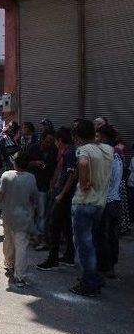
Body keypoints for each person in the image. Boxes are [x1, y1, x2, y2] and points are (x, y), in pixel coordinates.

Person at [69, 119, 113, 297]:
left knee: (84, 245)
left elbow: (84, 163)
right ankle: (95, 277)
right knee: (93, 243)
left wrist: (84, 182)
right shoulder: (107, 149)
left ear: (77, 136)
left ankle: (90, 283)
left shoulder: (83, 150)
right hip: (100, 204)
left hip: (84, 203)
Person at [0, 151, 39, 287]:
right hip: (23, 217)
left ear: (14, 162)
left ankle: (9, 263)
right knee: (21, 245)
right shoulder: (31, 178)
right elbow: (34, 198)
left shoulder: (6, 175)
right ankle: (19, 276)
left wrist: (2, 205)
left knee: (8, 239)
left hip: (7, 214)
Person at [37, 127, 77, 270]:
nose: (55, 143)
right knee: (66, 226)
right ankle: (68, 256)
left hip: (64, 196)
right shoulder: (66, 152)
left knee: (54, 226)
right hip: (61, 193)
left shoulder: (70, 153)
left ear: (59, 140)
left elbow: (71, 175)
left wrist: (61, 193)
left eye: (55, 141)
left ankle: (53, 259)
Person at [95, 124, 122, 279]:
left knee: (101, 236)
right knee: (111, 236)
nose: (96, 140)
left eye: (98, 137)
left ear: (104, 138)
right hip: (115, 201)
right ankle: (110, 267)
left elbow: (103, 181)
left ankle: (103, 267)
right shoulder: (117, 154)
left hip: (105, 201)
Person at [27, 129, 57, 248]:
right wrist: (34, 163)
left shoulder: (54, 150)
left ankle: (39, 236)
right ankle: (30, 235)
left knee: (42, 212)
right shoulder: (32, 148)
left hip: (44, 185)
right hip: (31, 184)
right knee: (30, 211)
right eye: (47, 141)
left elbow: (55, 168)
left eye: (52, 142)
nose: (49, 144)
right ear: (42, 139)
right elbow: (23, 163)